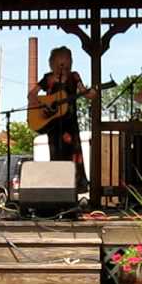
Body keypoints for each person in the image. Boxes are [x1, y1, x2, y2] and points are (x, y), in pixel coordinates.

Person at [28, 46, 97, 193]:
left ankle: (73, 192)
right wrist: (39, 104)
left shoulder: (74, 77)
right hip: (53, 126)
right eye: (60, 61)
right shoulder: (48, 78)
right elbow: (32, 94)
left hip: (70, 125)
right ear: (53, 63)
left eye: (66, 61)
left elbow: (84, 91)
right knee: (56, 157)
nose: (63, 65)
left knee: (73, 157)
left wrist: (90, 94)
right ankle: (58, 192)